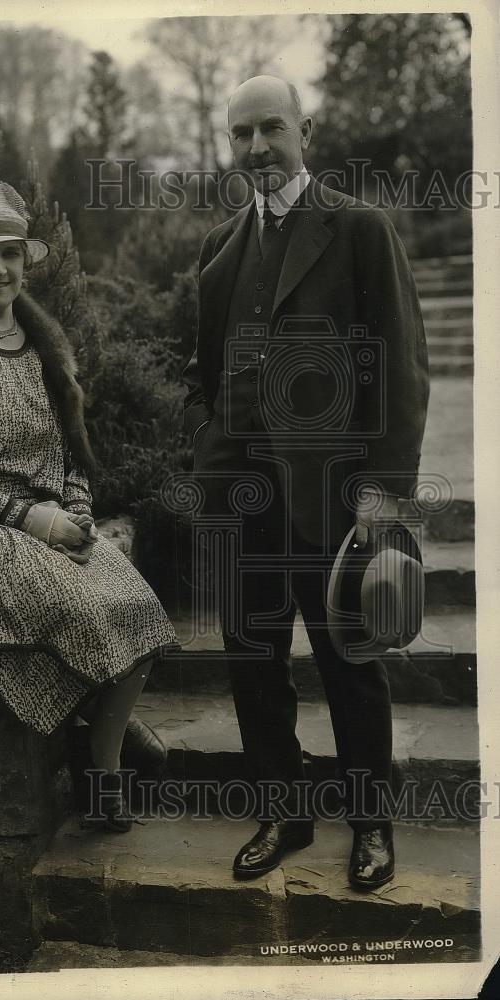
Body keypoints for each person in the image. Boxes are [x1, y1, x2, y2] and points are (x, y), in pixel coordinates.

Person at [182, 77, 429, 888]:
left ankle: (370, 824)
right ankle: (282, 813)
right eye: (241, 133)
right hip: (239, 500)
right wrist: (208, 454)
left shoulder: (356, 228)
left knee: (347, 660)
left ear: (305, 131)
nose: (257, 148)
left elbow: (400, 369)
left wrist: (383, 497)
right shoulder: (220, 248)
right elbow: (205, 372)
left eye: (272, 129)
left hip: (332, 495)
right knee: (252, 659)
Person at [0, 182, 178, 832]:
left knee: (140, 615)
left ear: (25, 258)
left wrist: (75, 512)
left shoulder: (49, 345)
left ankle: (96, 761)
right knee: (80, 612)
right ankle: (107, 756)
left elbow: (72, 452)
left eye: (8, 254)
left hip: (44, 519)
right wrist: (27, 519)